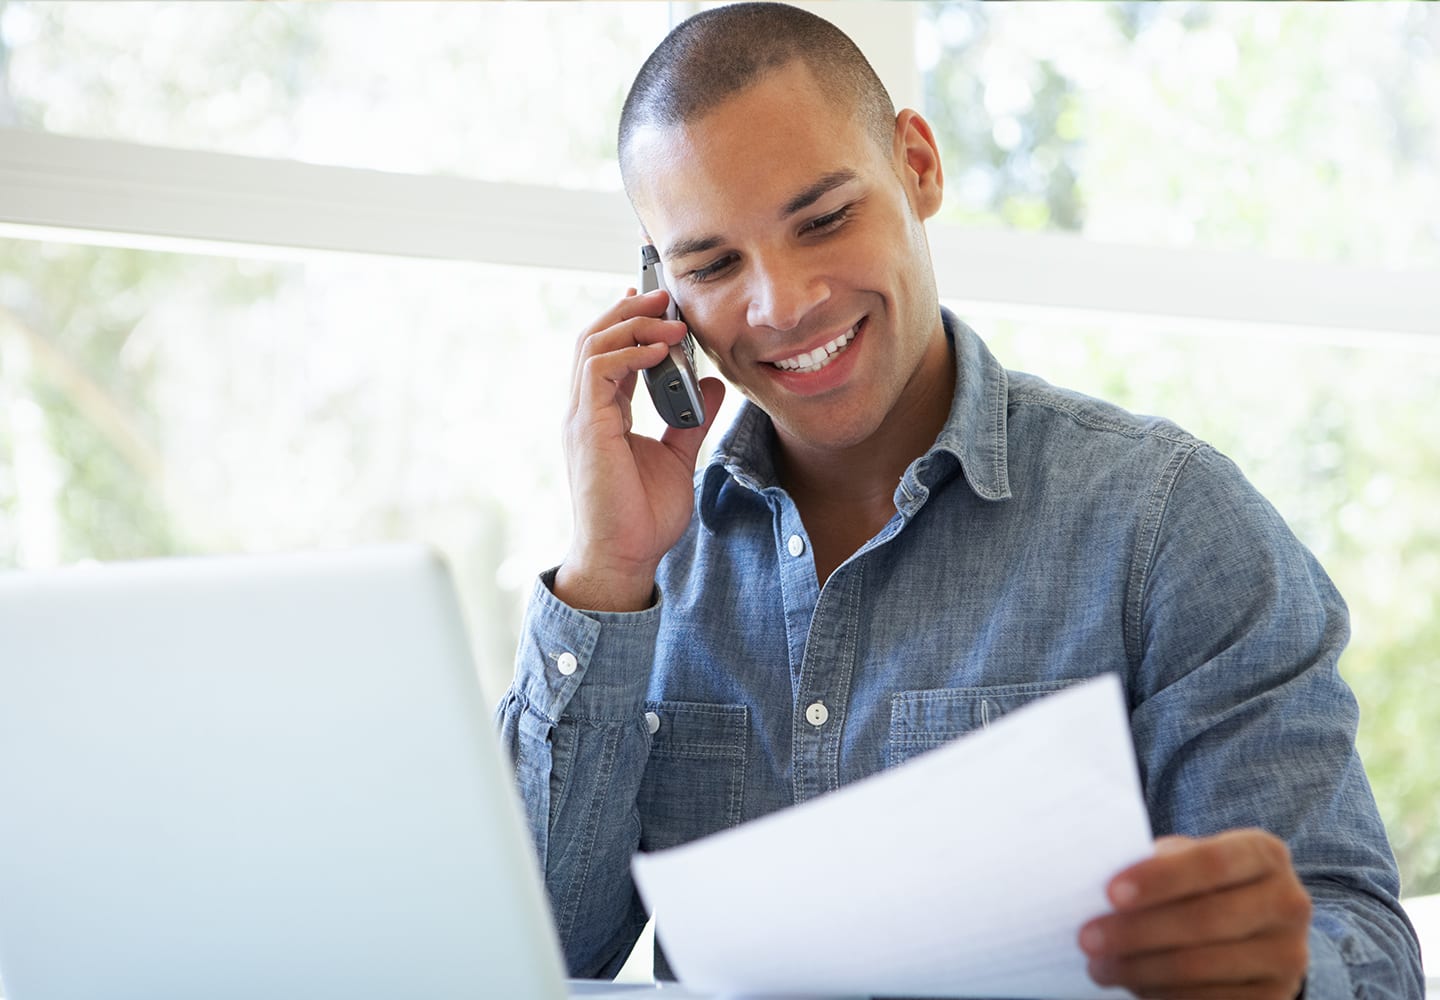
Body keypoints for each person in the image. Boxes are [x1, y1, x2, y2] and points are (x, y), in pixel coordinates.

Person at [497, 5, 1423, 997]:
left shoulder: (1167, 523)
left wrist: (1286, 971)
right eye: (714, 264)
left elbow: (1362, 946)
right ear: (659, 293)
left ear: (918, 166)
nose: (784, 302)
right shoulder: (645, 572)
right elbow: (526, 960)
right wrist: (608, 576)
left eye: (824, 218)